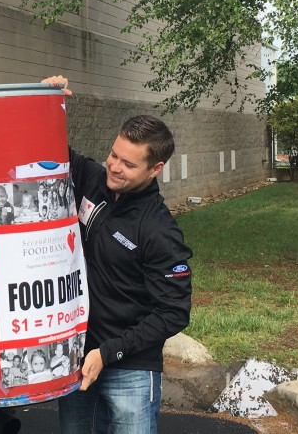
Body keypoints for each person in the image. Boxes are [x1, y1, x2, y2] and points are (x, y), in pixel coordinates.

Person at [43, 76, 193, 434]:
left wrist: (109, 352)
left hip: (131, 368)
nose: (114, 166)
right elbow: (48, 151)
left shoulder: (160, 232)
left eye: (128, 164)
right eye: (114, 155)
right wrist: (47, 102)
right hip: (78, 358)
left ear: (155, 168)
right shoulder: (93, 179)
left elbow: (173, 313)